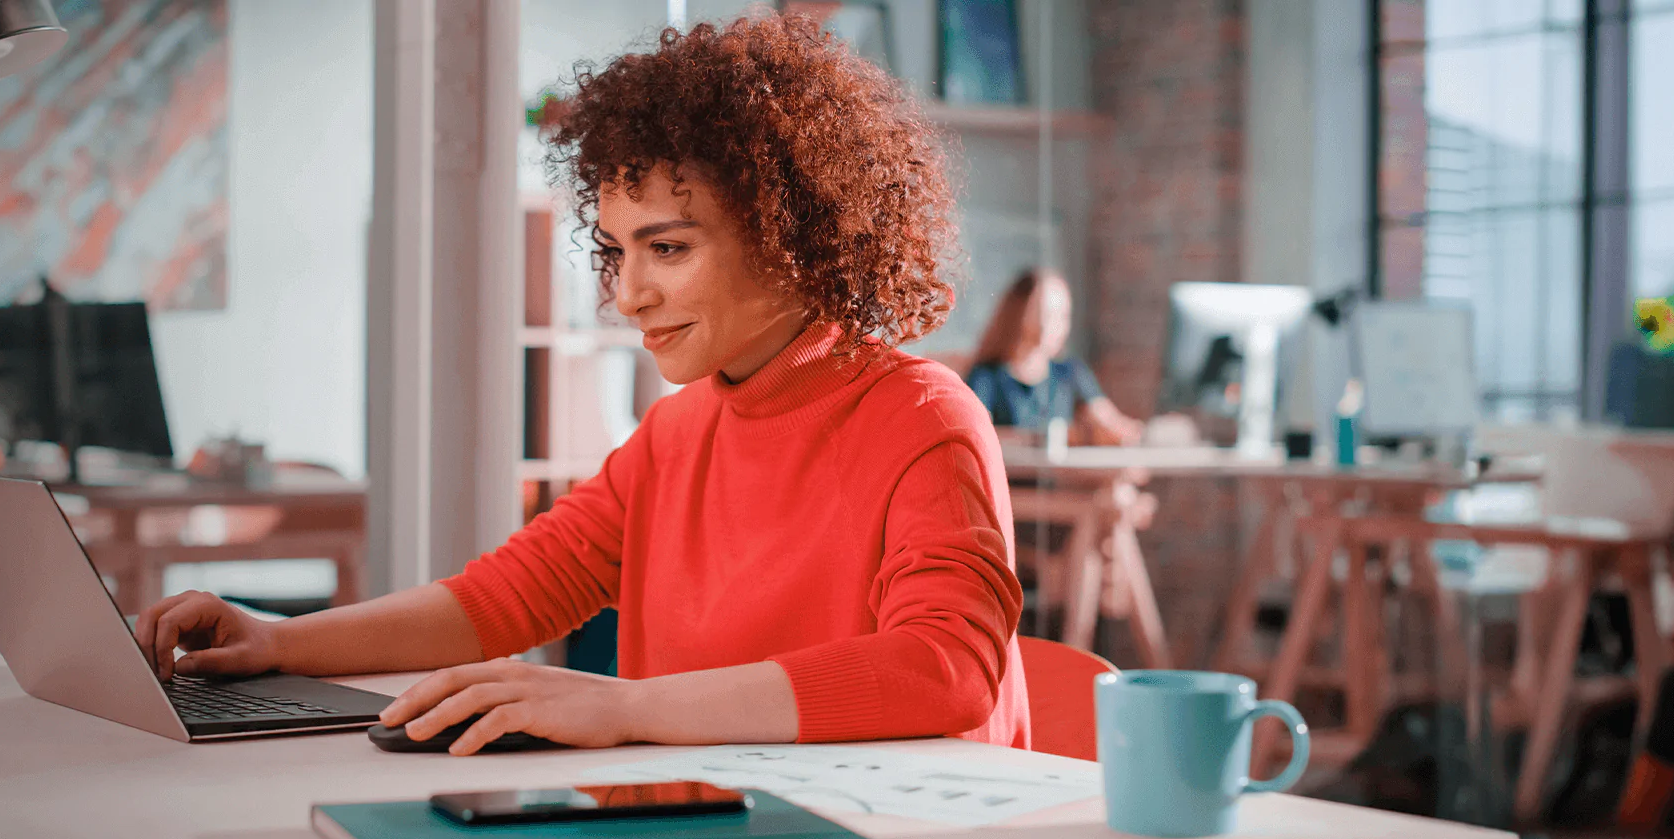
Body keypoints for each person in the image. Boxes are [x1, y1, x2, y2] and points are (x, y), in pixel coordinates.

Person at [131, 14, 1027, 755]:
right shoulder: (679, 433)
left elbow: (942, 666)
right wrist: (280, 640)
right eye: (616, 252)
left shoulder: (922, 420)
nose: (627, 294)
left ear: (794, 239)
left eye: (668, 248)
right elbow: (504, 597)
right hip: (721, 827)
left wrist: (626, 707)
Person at [963, 269, 1145, 445]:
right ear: (1020, 310)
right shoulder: (986, 377)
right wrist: (1046, 439)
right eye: (1046, 312)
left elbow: (1109, 422)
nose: (1053, 324)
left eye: (1062, 315)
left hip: (1060, 476)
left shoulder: (1070, 372)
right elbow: (976, 434)